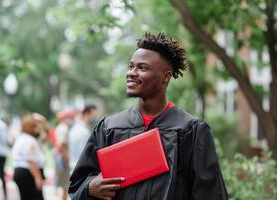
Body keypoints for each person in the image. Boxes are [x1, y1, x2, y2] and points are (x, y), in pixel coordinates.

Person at [69, 32, 228, 200]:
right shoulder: (109, 128)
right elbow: (77, 185)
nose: (131, 73)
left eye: (142, 68)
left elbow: (210, 194)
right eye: (131, 66)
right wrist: (89, 188)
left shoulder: (191, 131)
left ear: (165, 76)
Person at [12, 114, 46, 200]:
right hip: (28, 174)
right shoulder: (29, 140)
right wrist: (37, 178)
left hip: (22, 172)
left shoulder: (22, 138)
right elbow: (31, 160)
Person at [54, 108, 76, 200]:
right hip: (62, 156)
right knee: (65, 184)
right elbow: (62, 145)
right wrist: (66, 158)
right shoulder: (63, 128)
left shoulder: (60, 127)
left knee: (64, 183)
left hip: (60, 155)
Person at [68, 105, 98, 172]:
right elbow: (86, 153)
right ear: (86, 114)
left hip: (74, 166)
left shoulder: (75, 128)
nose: (95, 118)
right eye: (94, 116)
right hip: (81, 169)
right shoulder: (83, 131)